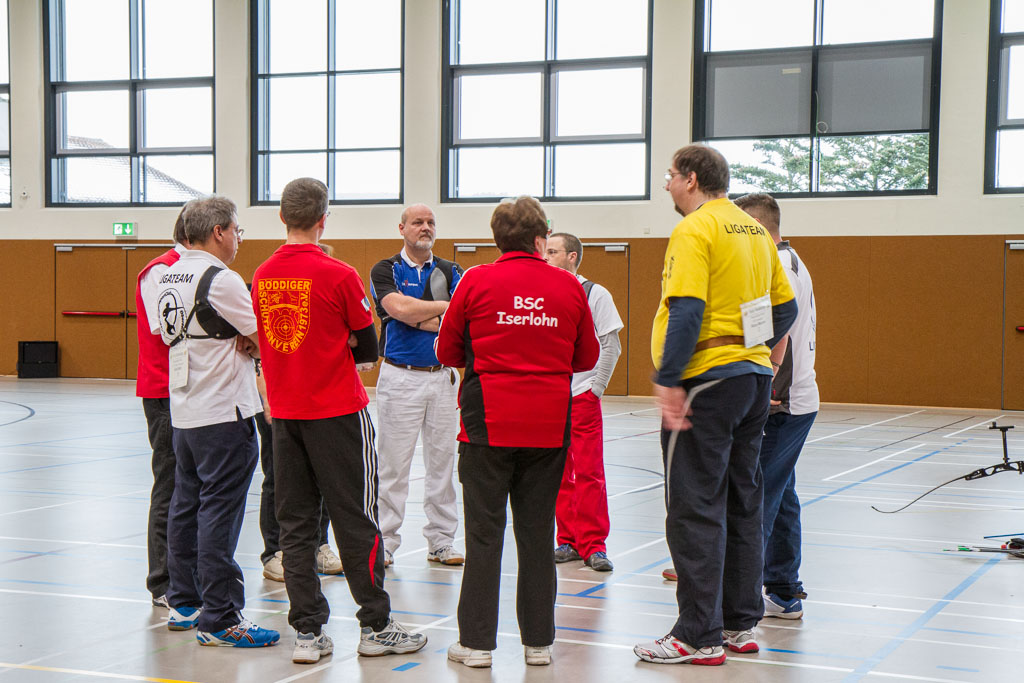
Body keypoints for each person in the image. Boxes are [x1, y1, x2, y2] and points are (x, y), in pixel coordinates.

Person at [251, 177, 426, 665]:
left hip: (285, 418)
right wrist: (341, 341)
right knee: (357, 519)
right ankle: (376, 626)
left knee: (295, 527)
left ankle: (308, 632)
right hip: (338, 416)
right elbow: (369, 347)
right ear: (323, 219)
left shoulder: (262, 275)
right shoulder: (339, 273)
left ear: (281, 217)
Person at [633, 146, 796, 666]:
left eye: (670, 176)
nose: (666, 185)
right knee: (741, 502)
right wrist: (750, 347)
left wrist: (669, 378)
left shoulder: (695, 228)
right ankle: (738, 623)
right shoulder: (755, 231)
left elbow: (686, 307)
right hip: (752, 381)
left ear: (691, 178)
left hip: (706, 381)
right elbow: (786, 307)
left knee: (693, 507)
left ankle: (696, 634)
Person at [437, 196, 599, 669]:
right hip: (547, 427)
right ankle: (538, 643)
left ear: (496, 238)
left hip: (486, 426)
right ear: (540, 239)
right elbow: (587, 357)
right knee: (537, 534)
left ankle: (477, 645)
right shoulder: (568, 285)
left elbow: (447, 350)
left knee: (484, 536)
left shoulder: (475, 280)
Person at [157, 195, 279, 648]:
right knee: (219, 514)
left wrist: (242, 338)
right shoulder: (220, 278)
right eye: (237, 231)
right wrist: (250, 341)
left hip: (186, 411)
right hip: (224, 412)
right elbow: (267, 338)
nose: (239, 239)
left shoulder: (169, 275)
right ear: (219, 232)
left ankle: (185, 602)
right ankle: (222, 617)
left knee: (185, 506)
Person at [734, 192, 818, 620]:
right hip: (794, 401)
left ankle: (742, 600)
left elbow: (776, 334)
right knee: (781, 493)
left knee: (758, 499)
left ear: (755, 227)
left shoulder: (777, 266)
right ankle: (784, 589)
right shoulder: (789, 259)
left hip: (781, 403)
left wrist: (766, 394)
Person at [369, 204, 464, 568]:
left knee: (442, 464)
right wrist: (439, 309)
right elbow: (398, 310)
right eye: (418, 222)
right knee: (394, 466)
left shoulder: (451, 270)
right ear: (402, 228)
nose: (425, 228)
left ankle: (441, 541)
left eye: (430, 222)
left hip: (442, 376)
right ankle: (385, 542)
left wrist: (416, 314)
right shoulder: (386, 269)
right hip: (400, 377)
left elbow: (461, 319)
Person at [543, 232, 623, 572]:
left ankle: (594, 544)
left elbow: (611, 344)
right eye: (545, 251)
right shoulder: (543, 291)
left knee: (589, 472)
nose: (546, 257)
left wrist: (596, 388)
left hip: (582, 396)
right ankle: (568, 540)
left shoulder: (595, 294)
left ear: (572, 256)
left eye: (553, 252)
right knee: (559, 473)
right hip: (551, 397)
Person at [135, 207, 190, 608]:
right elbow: (167, 329)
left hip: (191, 391)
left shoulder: (195, 270)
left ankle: (187, 575)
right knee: (170, 484)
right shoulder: (160, 271)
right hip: (164, 391)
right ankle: (163, 581)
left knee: (191, 487)